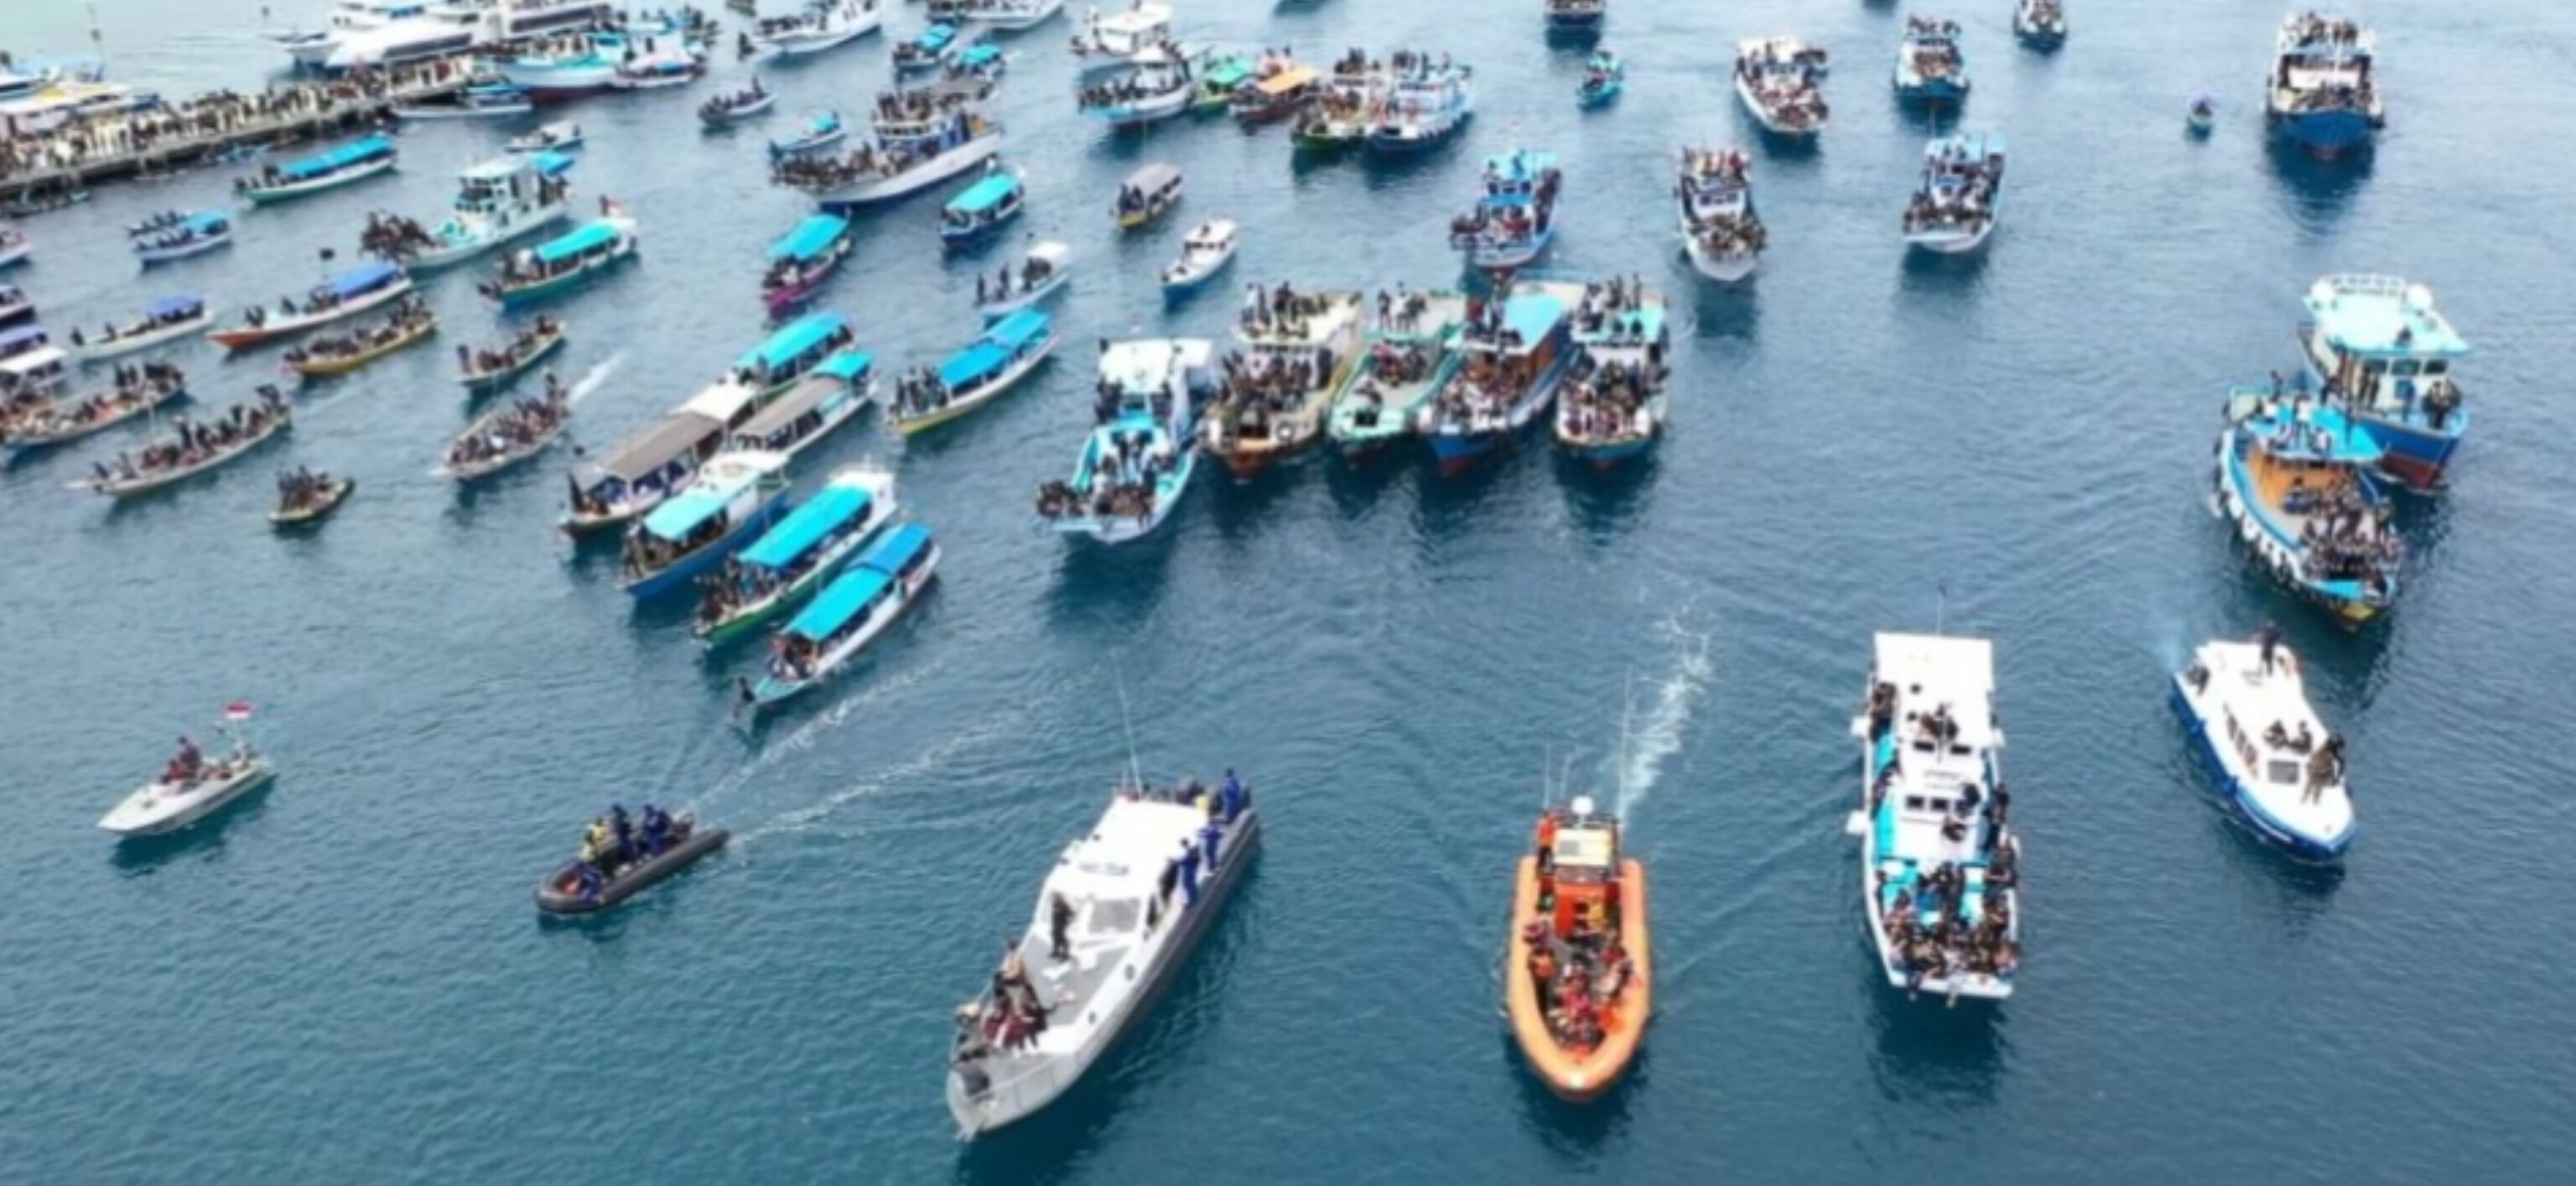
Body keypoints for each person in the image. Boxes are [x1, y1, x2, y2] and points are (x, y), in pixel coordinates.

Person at [1048, 892, 1076, 960]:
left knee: (1063, 939)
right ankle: (1056, 951)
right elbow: (1054, 915)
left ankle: (1065, 954)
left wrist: (1069, 922)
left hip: (1061, 925)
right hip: (1055, 924)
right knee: (1055, 938)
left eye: (1057, 898)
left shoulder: (1064, 906)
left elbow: (1072, 914)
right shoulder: (1055, 905)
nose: (1055, 899)